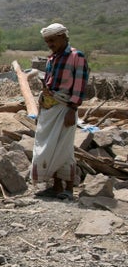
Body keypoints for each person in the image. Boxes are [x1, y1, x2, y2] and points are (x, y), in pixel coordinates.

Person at [32, 23, 89, 200]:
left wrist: (72, 109)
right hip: (49, 108)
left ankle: (69, 188)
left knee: (64, 148)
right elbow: (49, 84)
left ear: (63, 37)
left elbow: (79, 85)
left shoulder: (76, 57)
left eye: (52, 40)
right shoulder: (51, 59)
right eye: (47, 41)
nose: (50, 44)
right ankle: (56, 186)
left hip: (65, 108)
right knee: (49, 147)